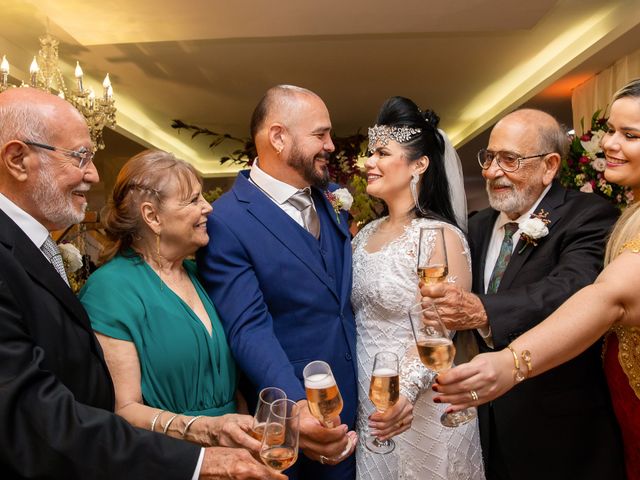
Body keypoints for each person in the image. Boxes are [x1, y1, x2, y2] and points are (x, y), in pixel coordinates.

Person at [0, 88, 284, 479]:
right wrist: (200, 452)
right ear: (17, 159)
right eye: (79, 156)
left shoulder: (200, 274)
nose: (93, 174)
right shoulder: (110, 288)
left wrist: (233, 427)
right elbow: (40, 412)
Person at [432, 78, 640, 480]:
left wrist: (508, 354)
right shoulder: (475, 227)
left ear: (550, 166)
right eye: (611, 130)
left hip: (565, 431)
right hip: (493, 425)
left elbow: (589, 292)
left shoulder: (591, 214)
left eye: (629, 135)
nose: (609, 144)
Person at [197, 85, 357, 479]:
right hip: (296, 416)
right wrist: (297, 407)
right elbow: (248, 326)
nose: (331, 145)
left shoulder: (332, 198)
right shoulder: (226, 221)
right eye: (320, 134)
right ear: (279, 137)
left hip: (359, 402)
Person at [79, 149, 260, 452]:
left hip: (235, 452)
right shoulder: (110, 291)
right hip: (169, 456)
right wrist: (206, 430)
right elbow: (124, 409)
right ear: (152, 216)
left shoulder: (200, 274)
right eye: (193, 200)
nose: (208, 208)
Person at [352, 96, 484, 479]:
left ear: (419, 164)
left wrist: (401, 395)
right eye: (369, 153)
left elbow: (438, 331)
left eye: (381, 153)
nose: (369, 163)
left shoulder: (440, 236)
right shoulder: (362, 237)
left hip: (421, 405)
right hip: (371, 400)